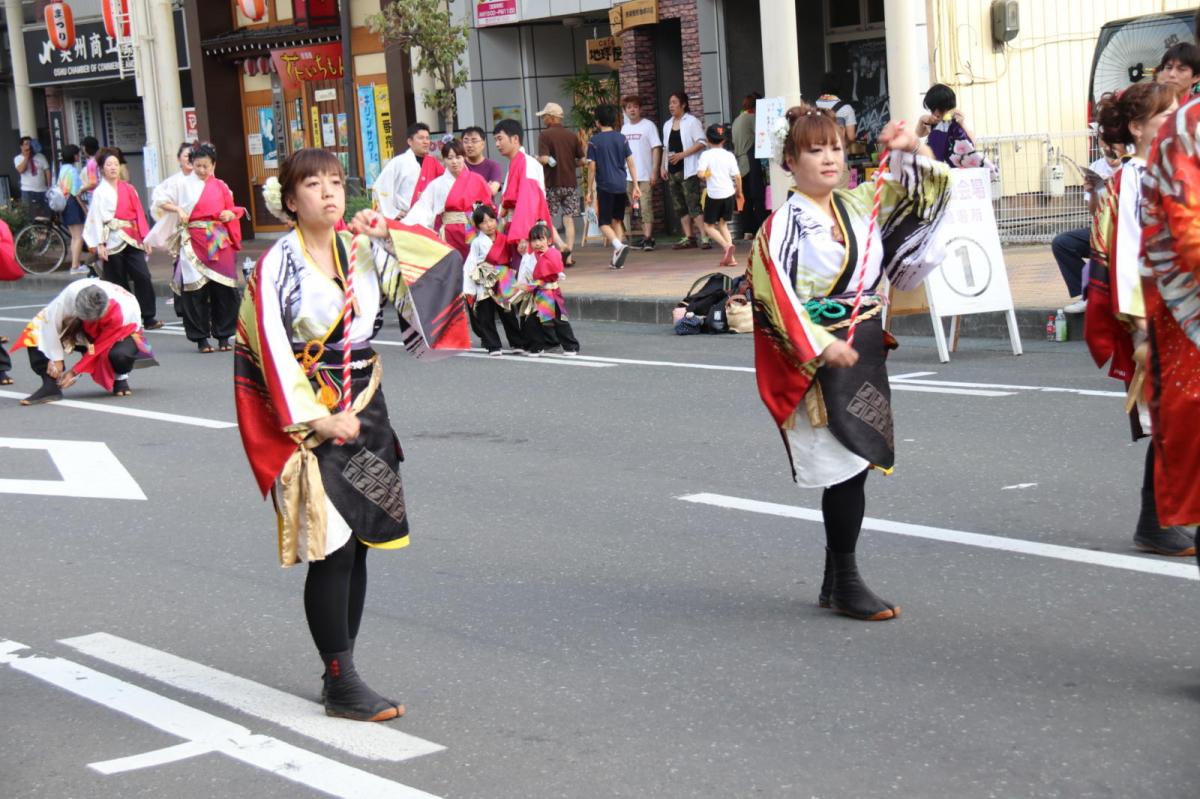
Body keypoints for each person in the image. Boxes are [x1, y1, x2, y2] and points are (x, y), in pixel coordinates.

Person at [235, 148, 465, 722]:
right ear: (291, 201)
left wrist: (390, 236)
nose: (329, 193)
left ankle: (341, 670)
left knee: (359, 542)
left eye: (336, 182)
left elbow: (438, 274)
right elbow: (266, 345)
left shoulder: (361, 248)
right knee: (331, 547)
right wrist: (315, 418)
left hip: (365, 404)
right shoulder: (277, 264)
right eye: (312, 184)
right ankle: (342, 680)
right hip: (307, 416)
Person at [748, 104, 952, 621]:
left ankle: (834, 577)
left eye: (836, 147)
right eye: (815, 150)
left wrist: (911, 149)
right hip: (819, 361)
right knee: (844, 468)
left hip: (861, 348)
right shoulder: (780, 226)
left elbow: (917, 192)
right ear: (789, 161)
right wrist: (818, 344)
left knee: (856, 463)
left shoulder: (856, 204)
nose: (829, 158)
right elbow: (775, 298)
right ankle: (846, 581)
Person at [1085, 82, 1193, 557]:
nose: (1175, 121)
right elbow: (1129, 256)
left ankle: (1158, 519)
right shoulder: (1133, 179)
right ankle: (1155, 521)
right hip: (1158, 316)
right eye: (1164, 115)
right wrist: (1142, 328)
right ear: (1136, 127)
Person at [1141, 53, 1200, 567]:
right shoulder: (1186, 130)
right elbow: (1185, 234)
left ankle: (1154, 519)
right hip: (1188, 323)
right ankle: (1154, 520)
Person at [153, 142, 244, 353]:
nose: (202, 170)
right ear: (191, 164)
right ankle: (201, 338)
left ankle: (224, 336)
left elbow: (231, 209)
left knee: (225, 289)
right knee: (195, 290)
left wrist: (230, 214)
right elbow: (159, 200)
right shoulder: (181, 184)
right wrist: (177, 209)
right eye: (198, 166)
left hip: (218, 240)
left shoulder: (221, 185)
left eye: (206, 166)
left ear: (213, 165)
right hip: (193, 240)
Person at [13, 280, 156, 404]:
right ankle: (50, 386)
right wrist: (55, 359)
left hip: (119, 332)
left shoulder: (125, 311)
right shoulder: (70, 294)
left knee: (118, 355)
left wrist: (74, 372)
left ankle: (120, 377)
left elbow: (99, 347)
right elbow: (48, 324)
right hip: (78, 324)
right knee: (34, 332)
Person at [83, 147, 162, 330]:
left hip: (132, 237)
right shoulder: (100, 193)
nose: (113, 168)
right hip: (111, 239)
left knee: (143, 275)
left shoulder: (129, 189)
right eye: (108, 164)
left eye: (116, 164)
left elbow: (139, 214)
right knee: (117, 281)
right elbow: (95, 219)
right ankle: (124, 317)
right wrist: (99, 244)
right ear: (102, 168)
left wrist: (145, 238)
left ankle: (148, 316)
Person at [1051, 145, 1122, 313]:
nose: (1109, 147)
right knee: (1062, 243)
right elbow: (1093, 210)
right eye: (1104, 142)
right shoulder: (1096, 167)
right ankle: (1088, 294)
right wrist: (1094, 192)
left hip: (1125, 231)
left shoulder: (1133, 166)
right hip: (1102, 229)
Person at [404, 138, 494, 257]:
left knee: (477, 267)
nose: (454, 162)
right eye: (449, 158)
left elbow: (483, 208)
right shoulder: (437, 184)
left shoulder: (476, 180)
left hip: (472, 231)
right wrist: (404, 226)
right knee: (452, 266)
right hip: (448, 233)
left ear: (464, 157)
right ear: (444, 160)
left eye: (458, 157)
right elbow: (423, 208)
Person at [586, 104, 640, 269]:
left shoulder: (594, 141)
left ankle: (618, 246)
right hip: (621, 185)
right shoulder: (621, 138)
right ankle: (617, 260)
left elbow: (592, 167)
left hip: (605, 186)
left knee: (603, 223)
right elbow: (631, 162)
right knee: (617, 220)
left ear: (597, 122)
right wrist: (636, 185)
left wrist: (589, 190)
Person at [535, 102, 585, 265]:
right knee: (568, 218)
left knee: (547, 218)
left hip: (552, 184)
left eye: (544, 116)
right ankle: (569, 256)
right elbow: (582, 160)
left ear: (551, 117)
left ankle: (560, 247)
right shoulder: (572, 136)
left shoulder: (545, 135)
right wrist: (569, 163)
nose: (543, 119)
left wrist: (537, 159)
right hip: (570, 183)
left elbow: (544, 159)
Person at [519, 221, 579, 355]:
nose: (537, 243)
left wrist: (546, 255)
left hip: (550, 291)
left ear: (549, 240)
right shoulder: (528, 257)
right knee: (533, 321)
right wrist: (522, 285)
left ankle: (570, 346)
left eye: (541, 239)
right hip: (536, 292)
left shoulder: (553, 253)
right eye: (534, 240)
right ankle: (537, 346)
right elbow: (524, 274)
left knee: (559, 320)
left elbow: (558, 270)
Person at [660, 91, 708, 250]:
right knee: (679, 205)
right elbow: (665, 148)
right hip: (672, 170)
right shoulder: (667, 124)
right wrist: (663, 166)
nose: (671, 106)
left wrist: (682, 155)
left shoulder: (691, 121)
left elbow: (701, 142)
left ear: (683, 104)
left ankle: (704, 236)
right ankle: (689, 237)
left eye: (674, 102)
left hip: (688, 170)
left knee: (693, 203)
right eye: (669, 103)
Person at [373, 122, 443, 220]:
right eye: (421, 138)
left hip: (427, 219)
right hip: (404, 218)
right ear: (410, 141)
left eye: (427, 138)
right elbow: (380, 186)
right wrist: (392, 212)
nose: (426, 141)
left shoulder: (434, 163)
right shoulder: (399, 162)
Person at [697, 124, 743, 268]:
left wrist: (706, 175)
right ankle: (731, 258)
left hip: (714, 195)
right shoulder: (729, 155)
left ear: (707, 139)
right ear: (723, 140)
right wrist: (739, 192)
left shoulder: (706, 155)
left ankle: (726, 246)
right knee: (723, 225)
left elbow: (700, 174)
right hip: (729, 194)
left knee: (708, 226)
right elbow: (737, 176)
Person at [621, 95, 662, 250]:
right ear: (625, 111)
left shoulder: (648, 126)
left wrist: (654, 171)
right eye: (628, 107)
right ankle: (645, 236)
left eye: (635, 106)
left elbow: (656, 148)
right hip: (629, 176)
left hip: (645, 174)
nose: (632, 110)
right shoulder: (624, 128)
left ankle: (648, 238)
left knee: (646, 205)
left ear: (640, 109)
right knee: (636, 208)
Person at [917, 84, 985, 168]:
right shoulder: (933, 121)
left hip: (957, 171)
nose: (936, 113)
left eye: (939, 109)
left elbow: (972, 143)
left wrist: (962, 124)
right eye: (932, 109)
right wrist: (921, 120)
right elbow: (918, 134)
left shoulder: (957, 118)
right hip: (937, 170)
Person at [731, 92, 767, 241]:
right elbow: (763, 137)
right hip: (751, 160)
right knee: (758, 197)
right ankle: (762, 228)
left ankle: (747, 231)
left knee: (745, 198)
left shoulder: (737, 120)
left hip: (740, 163)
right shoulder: (753, 118)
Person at [55, 144, 90, 275]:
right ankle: (75, 265)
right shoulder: (72, 171)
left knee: (75, 237)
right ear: (73, 155)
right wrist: (85, 209)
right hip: (72, 204)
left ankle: (75, 264)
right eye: (77, 154)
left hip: (65, 204)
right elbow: (76, 193)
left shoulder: (63, 169)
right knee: (78, 236)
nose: (79, 156)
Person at [815, 73, 857, 146]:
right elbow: (851, 137)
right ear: (840, 87)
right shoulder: (846, 108)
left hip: (818, 153)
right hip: (838, 153)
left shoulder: (813, 107)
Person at [461, 126, 504, 195]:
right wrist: (485, 186)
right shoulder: (459, 165)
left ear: (483, 144)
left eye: (474, 141)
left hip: (485, 206)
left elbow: (492, 191)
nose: (469, 145)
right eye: (466, 141)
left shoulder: (493, 166)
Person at [14, 136, 50, 217]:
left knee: (44, 214)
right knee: (29, 214)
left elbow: (47, 170)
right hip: (27, 191)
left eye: (30, 144)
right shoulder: (18, 158)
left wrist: (49, 186)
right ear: (21, 146)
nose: (28, 146)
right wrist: (27, 157)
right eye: (26, 144)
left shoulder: (40, 156)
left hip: (42, 190)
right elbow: (21, 170)